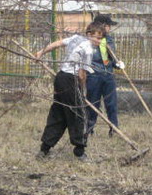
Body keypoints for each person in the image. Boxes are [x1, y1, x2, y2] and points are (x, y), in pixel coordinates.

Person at [34, 23, 105, 160]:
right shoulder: (88, 50)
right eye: (97, 38)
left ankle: (44, 149)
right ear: (89, 35)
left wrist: (41, 52)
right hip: (71, 80)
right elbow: (81, 74)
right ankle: (79, 151)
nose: (99, 41)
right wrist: (83, 91)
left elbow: (57, 44)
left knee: (59, 113)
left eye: (101, 39)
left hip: (60, 78)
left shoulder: (75, 38)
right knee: (79, 115)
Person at [85, 14, 125, 137]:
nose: (110, 29)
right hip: (94, 76)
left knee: (111, 104)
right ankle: (88, 129)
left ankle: (114, 129)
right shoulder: (90, 40)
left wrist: (117, 64)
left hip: (108, 76)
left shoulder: (109, 40)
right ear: (101, 26)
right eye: (108, 26)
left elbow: (111, 58)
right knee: (93, 104)